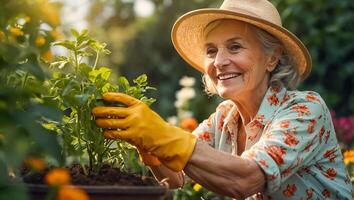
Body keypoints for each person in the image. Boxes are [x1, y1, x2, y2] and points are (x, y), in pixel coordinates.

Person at [92, 0, 354, 199]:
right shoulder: (223, 118)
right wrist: (151, 147)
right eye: (211, 50)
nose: (218, 61)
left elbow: (246, 179)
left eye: (235, 47)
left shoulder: (305, 109)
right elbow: (177, 178)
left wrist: (164, 136)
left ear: (272, 58)